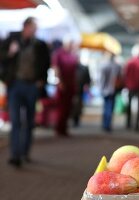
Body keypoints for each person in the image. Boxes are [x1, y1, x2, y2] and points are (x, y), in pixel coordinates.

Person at [0, 17, 50, 167]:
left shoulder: (39, 45)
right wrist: (10, 53)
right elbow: (1, 58)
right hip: (15, 84)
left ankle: (24, 152)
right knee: (15, 121)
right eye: (33, 28)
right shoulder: (11, 39)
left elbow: (46, 64)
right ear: (25, 27)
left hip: (31, 86)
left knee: (29, 121)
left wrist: (41, 81)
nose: (34, 31)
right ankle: (15, 155)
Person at [52, 37, 78, 137]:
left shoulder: (72, 54)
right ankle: (59, 128)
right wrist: (59, 81)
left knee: (68, 108)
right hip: (62, 84)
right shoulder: (59, 54)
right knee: (61, 108)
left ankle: (64, 128)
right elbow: (56, 68)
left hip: (71, 84)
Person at [100, 52, 122, 132]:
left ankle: (105, 124)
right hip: (113, 90)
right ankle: (108, 124)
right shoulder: (117, 66)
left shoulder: (104, 66)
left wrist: (101, 88)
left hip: (105, 89)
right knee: (110, 108)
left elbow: (102, 79)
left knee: (105, 107)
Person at [72, 62, 91, 127]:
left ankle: (76, 119)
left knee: (77, 105)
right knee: (75, 105)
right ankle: (74, 119)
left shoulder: (83, 68)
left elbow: (88, 80)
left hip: (79, 90)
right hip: (74, 90)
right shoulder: (74, 68)